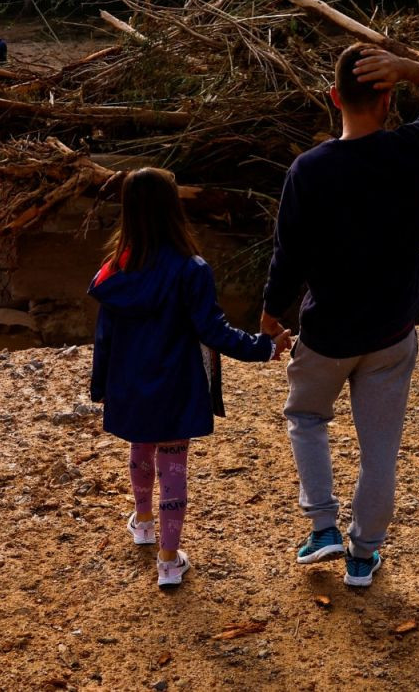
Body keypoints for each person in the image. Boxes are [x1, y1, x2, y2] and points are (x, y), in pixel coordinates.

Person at [261, 43, 419, 587]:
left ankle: (324, 528)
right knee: (380, 449)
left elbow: (289, 253)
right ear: (388, 99)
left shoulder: (308, 170)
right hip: (391, 331)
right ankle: (363, 555)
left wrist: (270, 311)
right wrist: (411, 69)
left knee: (306, 418)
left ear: (334, 98)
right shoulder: (412, 151)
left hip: (328, 332)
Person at [89, 167, 292, 588]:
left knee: (140, 447)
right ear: (172, 208)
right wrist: (265, 347)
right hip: (177, 385)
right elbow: (212, 330)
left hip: (129, 383)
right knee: (174, 465)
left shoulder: (114, 272)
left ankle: (143, 523)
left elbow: (104, 336)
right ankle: (168, 560)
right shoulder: (191, 269)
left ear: (127, 212)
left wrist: (100, 386)